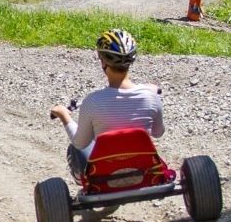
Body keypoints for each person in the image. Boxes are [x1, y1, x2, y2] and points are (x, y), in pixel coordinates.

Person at [49, 29, 163, 177]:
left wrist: (64, 115)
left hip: (105, 177)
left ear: (103, 61)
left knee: (75, 148)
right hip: (144, 171)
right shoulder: (151, 97)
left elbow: (80, 143)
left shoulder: (92, 101)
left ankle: (84, 181)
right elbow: (158, 132)